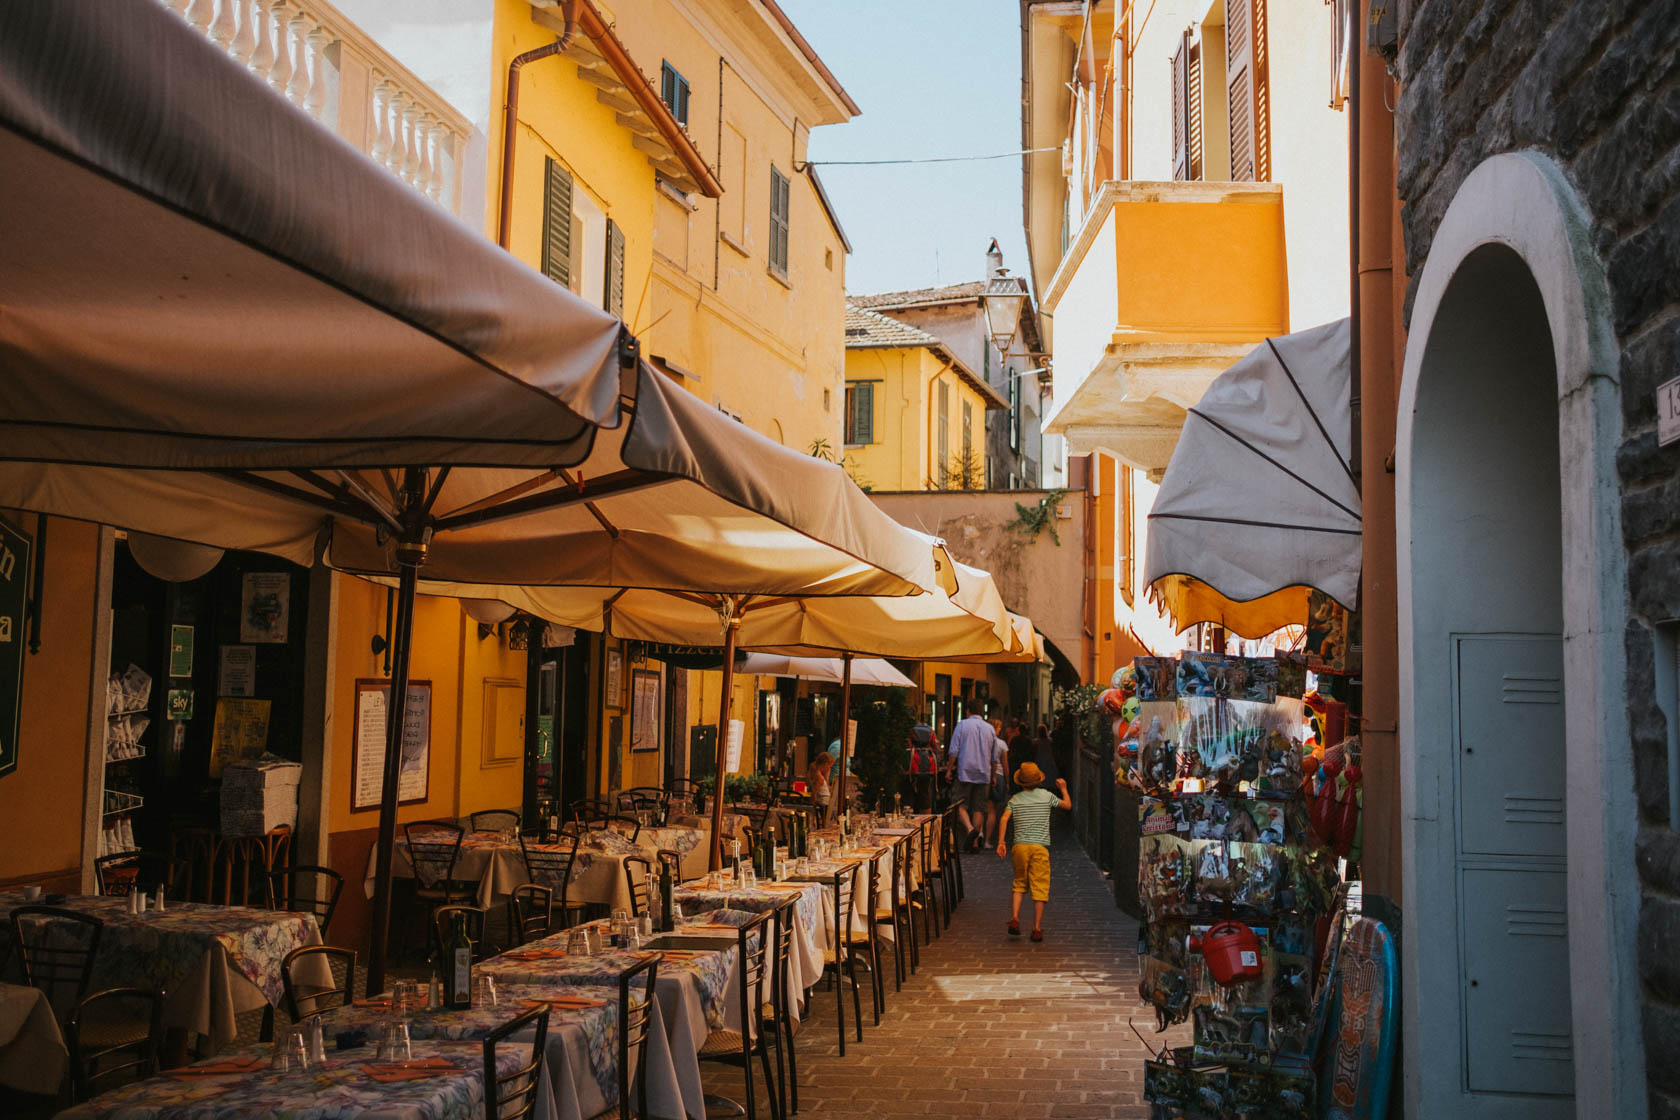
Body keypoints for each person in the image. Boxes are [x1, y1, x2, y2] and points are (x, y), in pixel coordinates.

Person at [995, 762, 1072, 941]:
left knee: (1019, 882)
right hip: (1040, 847)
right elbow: (1067, 805)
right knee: (1040, 886)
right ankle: (1036, 928)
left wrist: (1001, 841)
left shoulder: (1015, 799)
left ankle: (1015, 918)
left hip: (1019, 847)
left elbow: (1004, 818)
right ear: (1039, 780)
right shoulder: (1047, 796)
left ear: (1020, 782)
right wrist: (1064, 788)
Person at [945, 709, 995, 849]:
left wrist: (949, 769)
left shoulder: (962, 725)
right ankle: (973, 843)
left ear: (968, 711)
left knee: (958, 805)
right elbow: (994, 755)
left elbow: (954, 750)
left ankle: (969, 828)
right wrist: (993, 775)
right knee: (978, 808)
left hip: (965, 772)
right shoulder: (989, 728)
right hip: (984, 773)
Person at [984, 717, 1011, 847]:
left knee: (980, 808)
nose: (1000, 730)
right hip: (997, 776)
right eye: (999, 727)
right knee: (992, 810)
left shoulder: (982, 742)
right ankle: (987, 840)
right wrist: (1007, 781)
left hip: (982, 776)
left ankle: (979, 834)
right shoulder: (1001, 744)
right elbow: (1005, 764)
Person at [806, 752, 834, 821]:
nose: (829, 769)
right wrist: (813, 805)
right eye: (829, 766)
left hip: (824, 802)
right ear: (825, 764)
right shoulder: (819, 777)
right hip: (824, 803)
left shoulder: (814, 772)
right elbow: (814, 792)